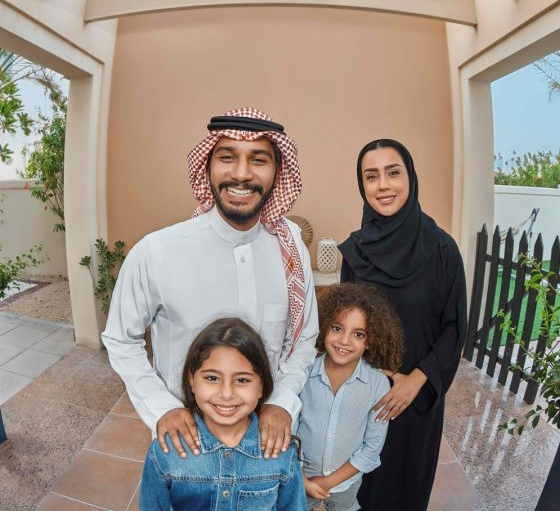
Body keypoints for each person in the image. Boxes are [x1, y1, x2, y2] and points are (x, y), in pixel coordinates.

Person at [102, 107, 318, 461]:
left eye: (258, 159)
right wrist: (163, 408)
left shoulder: (290, 246)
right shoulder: (157, 251)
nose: (242, 174)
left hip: (266, 443)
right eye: (227, 157)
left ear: (278, 172)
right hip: (186, 444)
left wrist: (281, 401)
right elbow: (120, 339)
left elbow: (304, 338)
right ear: (207, 167)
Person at [338, 139, 467, 511]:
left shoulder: (442, 249)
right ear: (362, 185)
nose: (383, 185)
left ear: (410, 177)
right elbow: (347, 324)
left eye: (393, 173)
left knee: (404, 490)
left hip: (415, 401)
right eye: (371, 176)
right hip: (364, 396)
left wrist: (416, 380)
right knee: (359, 490)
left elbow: (454, 326)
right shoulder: (355, 252)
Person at [140, 317, 307, 510]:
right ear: (192, 380)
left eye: (242, 380)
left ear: (262, 385)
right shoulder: (166, 451)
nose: (226, 394)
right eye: (212, 378)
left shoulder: (281, 450)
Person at [297, 282, 404, 511]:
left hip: (346, 483)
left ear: (371, 340)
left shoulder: (377, 384)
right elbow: (289, 432)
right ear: (324, 326)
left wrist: (327, 482)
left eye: (358, 334)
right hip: (299, 477)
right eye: (337, 328)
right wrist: (301, 477)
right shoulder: (303, 373)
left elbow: (371, 448)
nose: (344, 341)